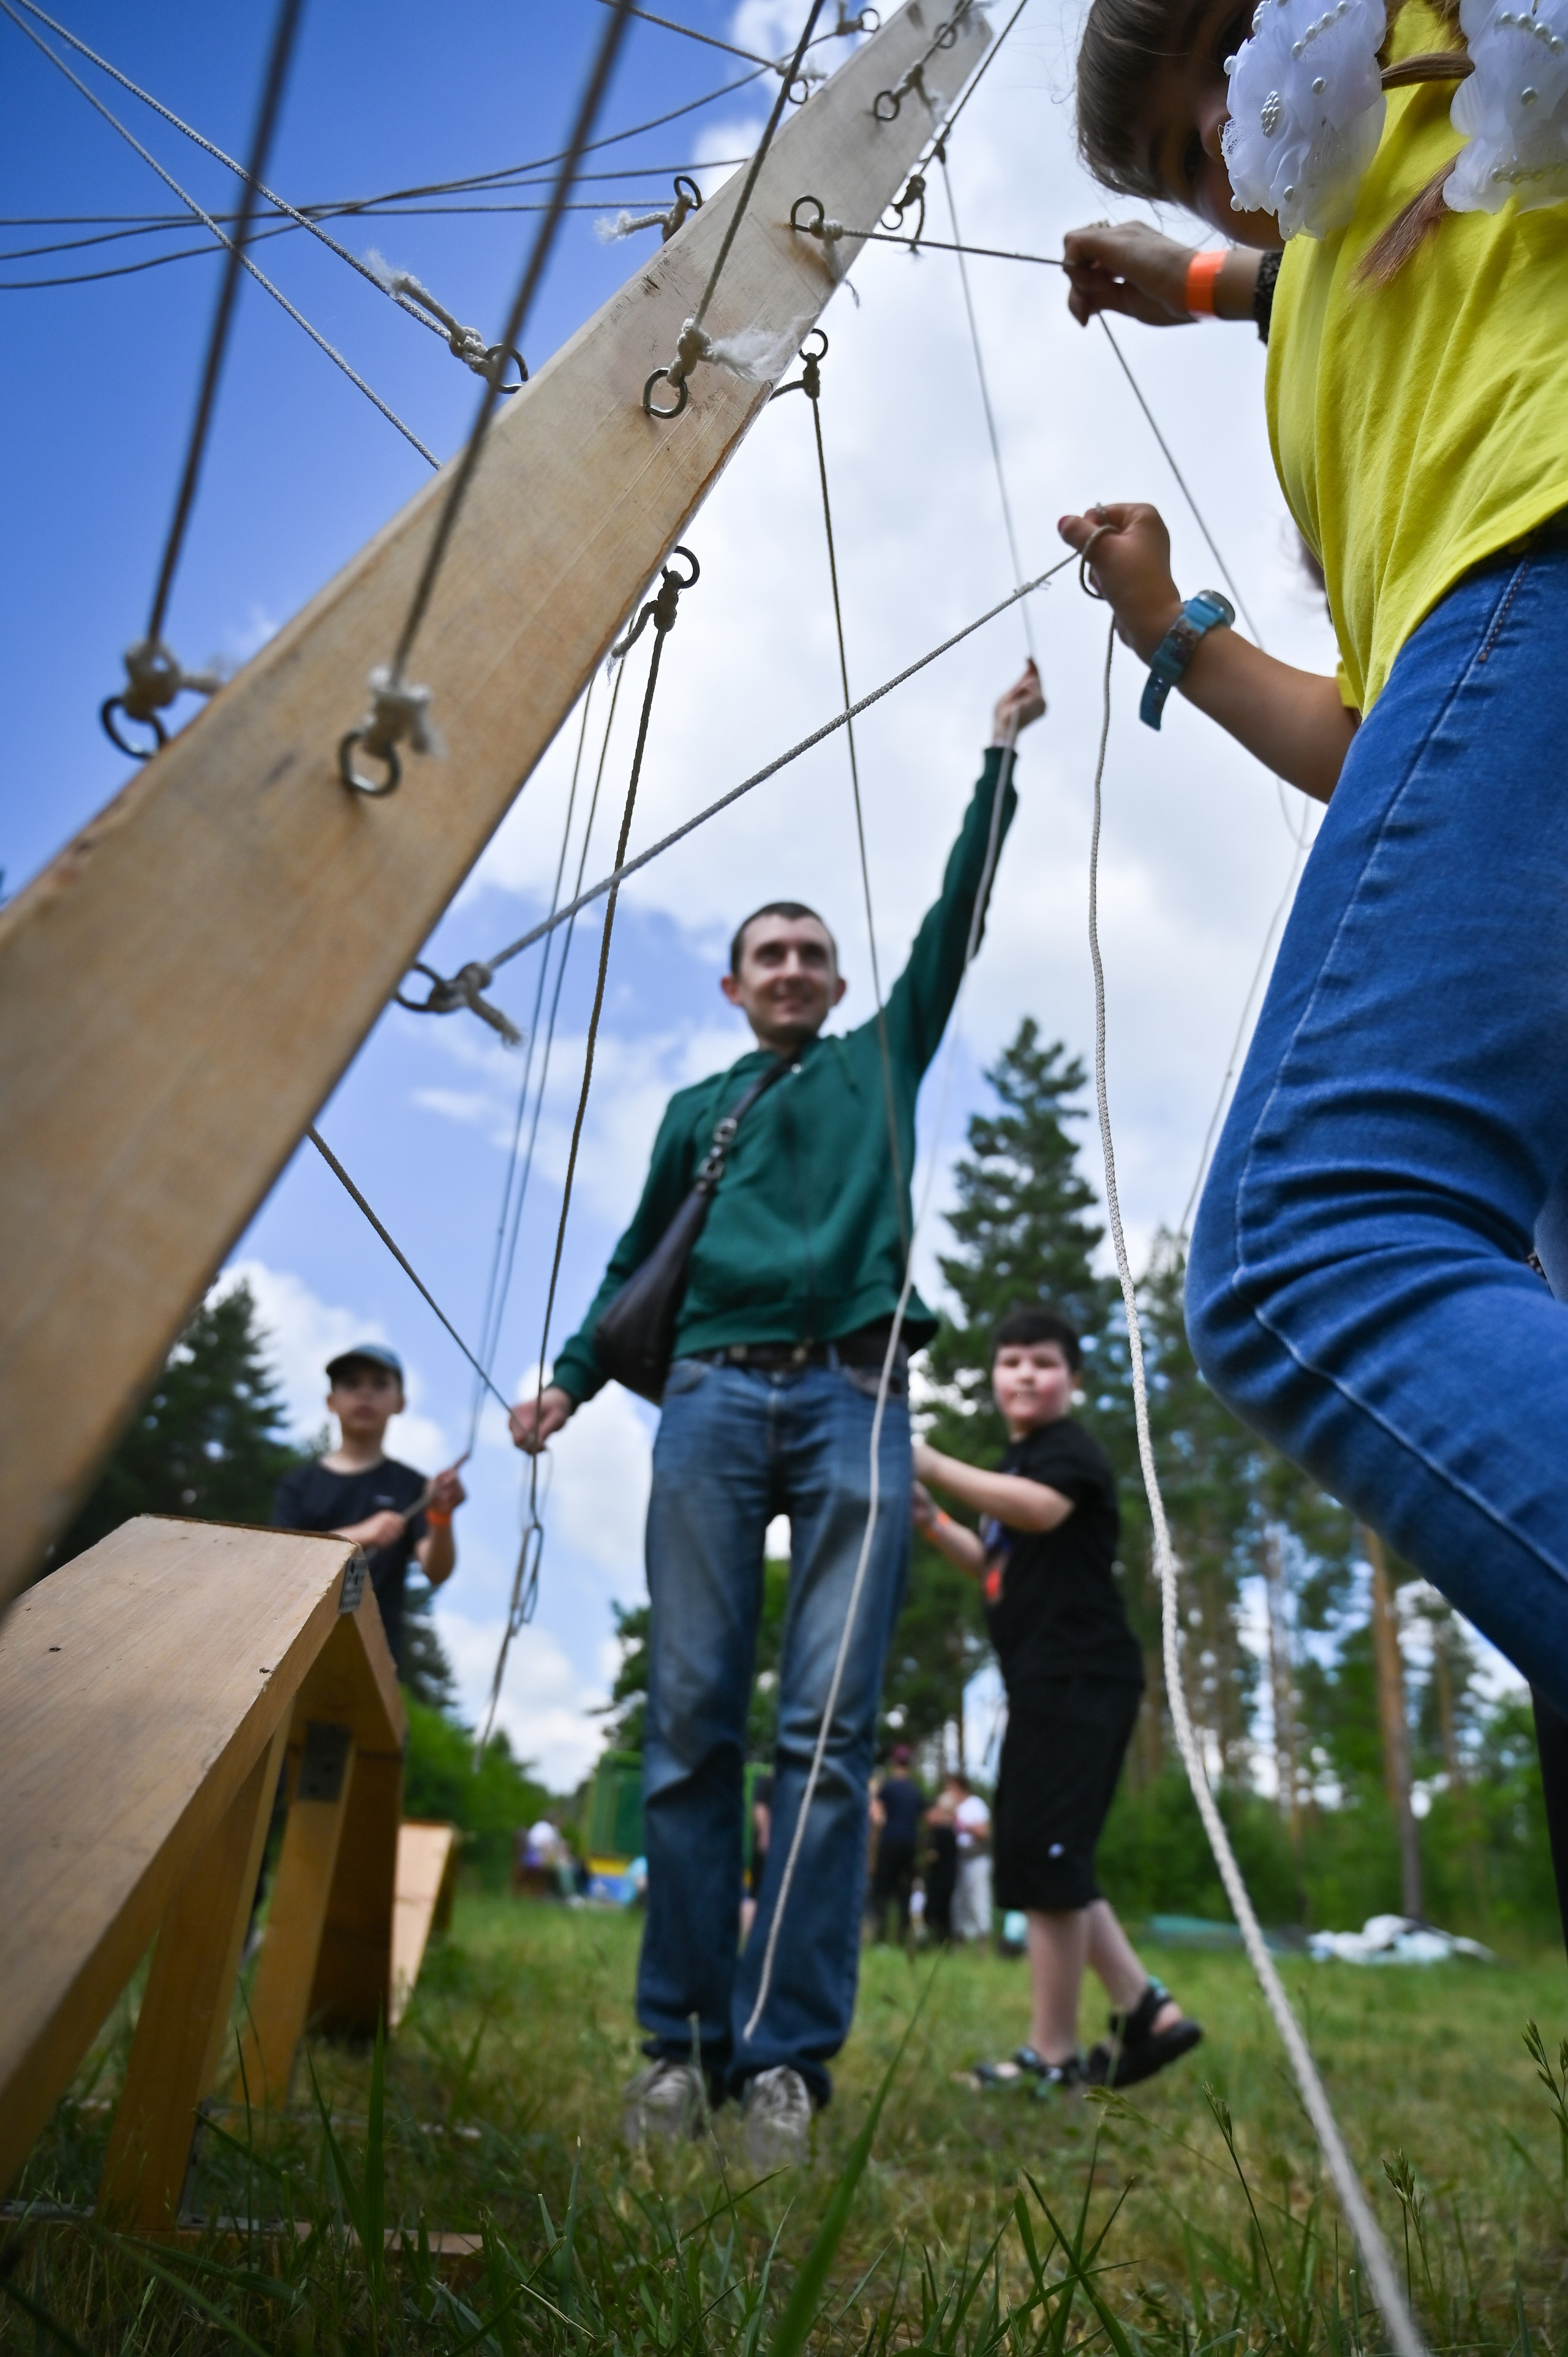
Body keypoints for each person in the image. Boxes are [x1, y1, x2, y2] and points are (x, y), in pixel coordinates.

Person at [1050, 0, 1568, 1763]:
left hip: (1544, 556)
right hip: (1498, 690)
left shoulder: (1446, 58)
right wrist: (1176, 629)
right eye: (1190, 178)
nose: (1225, 185)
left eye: (1208, 125)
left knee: (1315, 1239)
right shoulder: (1314, 334)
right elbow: (1387, 749)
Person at [510, 662, 1046, 2165]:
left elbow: (957, 916)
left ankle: (782, 2065)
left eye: (814, 948)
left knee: (823, 1732)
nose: (799, 966)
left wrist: (994, 753)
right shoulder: (701, 1111)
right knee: (687, 1720)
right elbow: (635, 1266)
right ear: (736, 983)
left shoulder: (885, 1060)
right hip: (703, 1403)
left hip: (855, 1398)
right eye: (771, 953)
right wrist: (564, 1372)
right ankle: (676, 2047)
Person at [914, 1307, 1201, 2094]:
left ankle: (1053, 2056)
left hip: (1079, 1674)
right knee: (1051, 1851)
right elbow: (997, 1559)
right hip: (1047, 1679)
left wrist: (931, 1464)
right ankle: (1146, 2012)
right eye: (1011, 1361)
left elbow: (1039, 1511)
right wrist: (934, 1522)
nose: (1026, 1374)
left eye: (1043, 1361)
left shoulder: (1062, 1453)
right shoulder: (1016, 1464)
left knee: (1044, 1853)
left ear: (1071, 1377)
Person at [273, 1344, 465, 1678]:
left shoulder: (411, 1486)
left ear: (400, 1403)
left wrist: (441, 1517)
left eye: (379, 1384)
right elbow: (280, 1561)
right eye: (351, 1383)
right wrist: (361, 1534)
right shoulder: (299, 1484)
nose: (365, 1393)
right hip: (292, 1654)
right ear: (331, 1402)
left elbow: (436, 1569)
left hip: (372, 1667)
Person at [868, 1745, 925, 1943]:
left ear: (894, 1763)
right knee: (905, 1892)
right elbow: (924, 1818)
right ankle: (903, 1936)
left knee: (882, 1889)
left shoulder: (888, 1788)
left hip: (889, 1842)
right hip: (909, 1845)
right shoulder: (915, 1790)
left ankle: (881, 1937)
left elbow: (876, 1816)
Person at [951, 1775, 994, 1942]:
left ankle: (982, 1943)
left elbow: (985, 1833)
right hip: (958, 1859)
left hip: (977, 1858)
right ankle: (959, 1942)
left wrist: (963, 1824)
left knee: (979, 1899)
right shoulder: (952, 1807)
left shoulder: (975, 1804)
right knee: (959, 1902)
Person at [921, 1780, 960, 1945]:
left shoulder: (939, 1832)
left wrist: (922, 1863)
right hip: (950, 1877)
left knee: (932, 1911)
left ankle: (934, 1941)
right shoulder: (953, 1832)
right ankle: (946, 1942)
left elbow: (933, 1855)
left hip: (937, 1878)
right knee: (946, 1911)